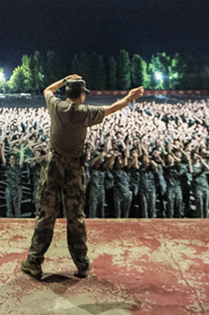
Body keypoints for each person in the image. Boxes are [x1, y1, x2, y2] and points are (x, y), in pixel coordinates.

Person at [22, 74, 143, 280]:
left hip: (53, 166)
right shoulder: (85, 113)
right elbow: (113, 108)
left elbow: (47, 90)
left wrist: (63, 80)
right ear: (81, 96)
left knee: (46, 215)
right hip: (74, 168)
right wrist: (130, 97)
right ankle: (82, 265)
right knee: (76, 217)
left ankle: (34, 262)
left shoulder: (56, 107)